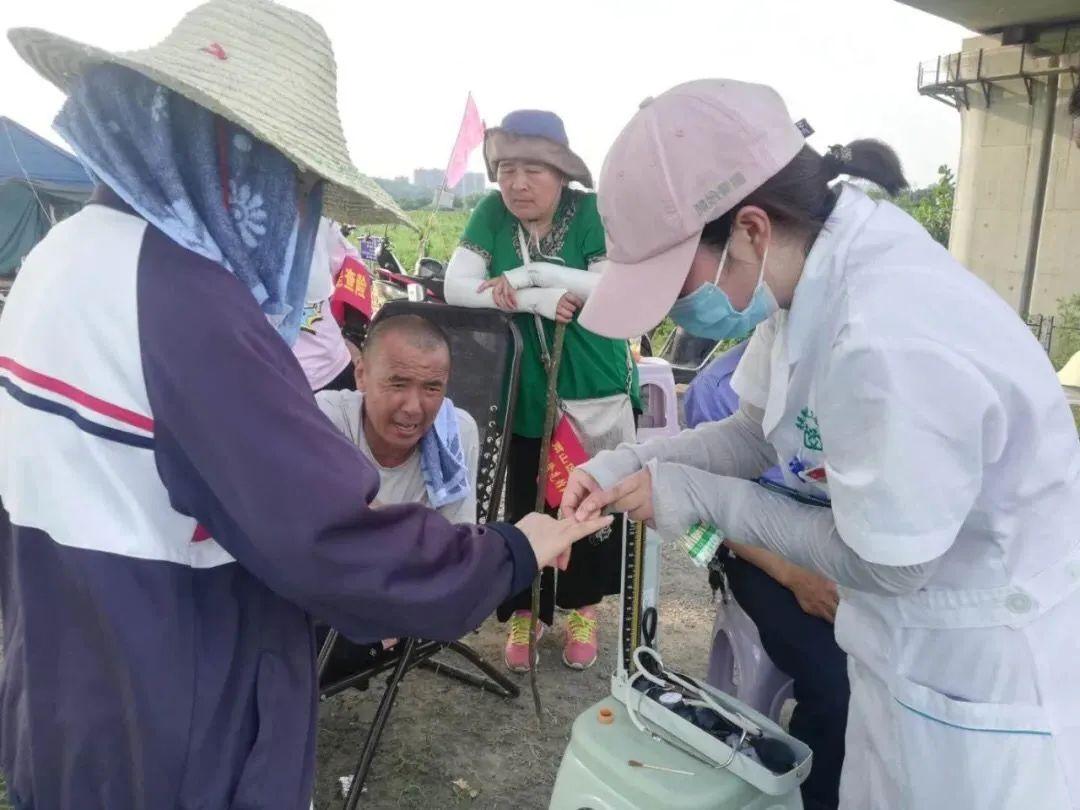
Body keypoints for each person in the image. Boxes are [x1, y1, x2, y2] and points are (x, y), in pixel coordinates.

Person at [0, 4, 610, 808]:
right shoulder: (184, 301)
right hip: (175, 721)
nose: (300, 215)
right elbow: (330, 539)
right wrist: (514, 549)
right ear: (232, 160)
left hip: (65, 686)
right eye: (297, 184)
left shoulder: (65, 253)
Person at [564, 79, 1080, 809]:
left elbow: (892, 565)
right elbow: (750, 435)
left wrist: (705, 501)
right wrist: (633, 461)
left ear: (748, 229)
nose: (679, 306)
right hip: (900, 656)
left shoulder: (885, 334)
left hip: (980, 673)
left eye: (676, 281)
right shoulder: (801, 286)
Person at [444, 109, 641, 672]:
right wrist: (531, 302)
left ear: (561, 173)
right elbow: (458, 287)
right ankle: (525, 611)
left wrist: (533, 276)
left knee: (587, 501)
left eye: (533, 168)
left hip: (591, 386)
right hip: (519, 387)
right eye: (506, 168)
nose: (517, 183)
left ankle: (583, 607)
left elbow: (613, 289)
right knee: (521, 498)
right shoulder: (490, 215)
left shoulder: (591, 214)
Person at [685, 340, 848, 810]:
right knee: (838, 683)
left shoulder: (846, 370)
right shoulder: (717, 388)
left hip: (841, 546)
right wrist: (794, 576)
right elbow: (712, 511)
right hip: (762, 558)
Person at [316, 312, 479, 524]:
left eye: (431, 388)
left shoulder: (455, 434)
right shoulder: (327, 419)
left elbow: (458, 543)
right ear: (361, 375)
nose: (413, 407)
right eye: (398, 385)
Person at [294, 216, 362, 392]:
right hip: (327, 366)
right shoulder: (312, 215)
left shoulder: (317, 220)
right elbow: (354, 266)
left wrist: (351, 334)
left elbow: (352, 265)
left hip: (328, 367)